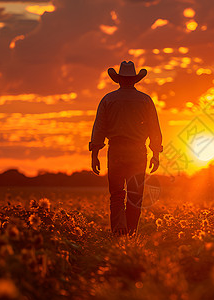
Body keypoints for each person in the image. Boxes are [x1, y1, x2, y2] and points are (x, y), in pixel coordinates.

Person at [89, 61, 163, 236]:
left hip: (116, 151)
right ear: (135, 80)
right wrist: (155, 154)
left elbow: (99, 128)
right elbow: (154, 129)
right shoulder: (145, 100)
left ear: (119, 80)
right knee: (135, 196)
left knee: (116, 194)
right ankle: (131, 233)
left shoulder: (108, 99)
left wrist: (94, 154)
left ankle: (119, 232)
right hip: (138, 152)